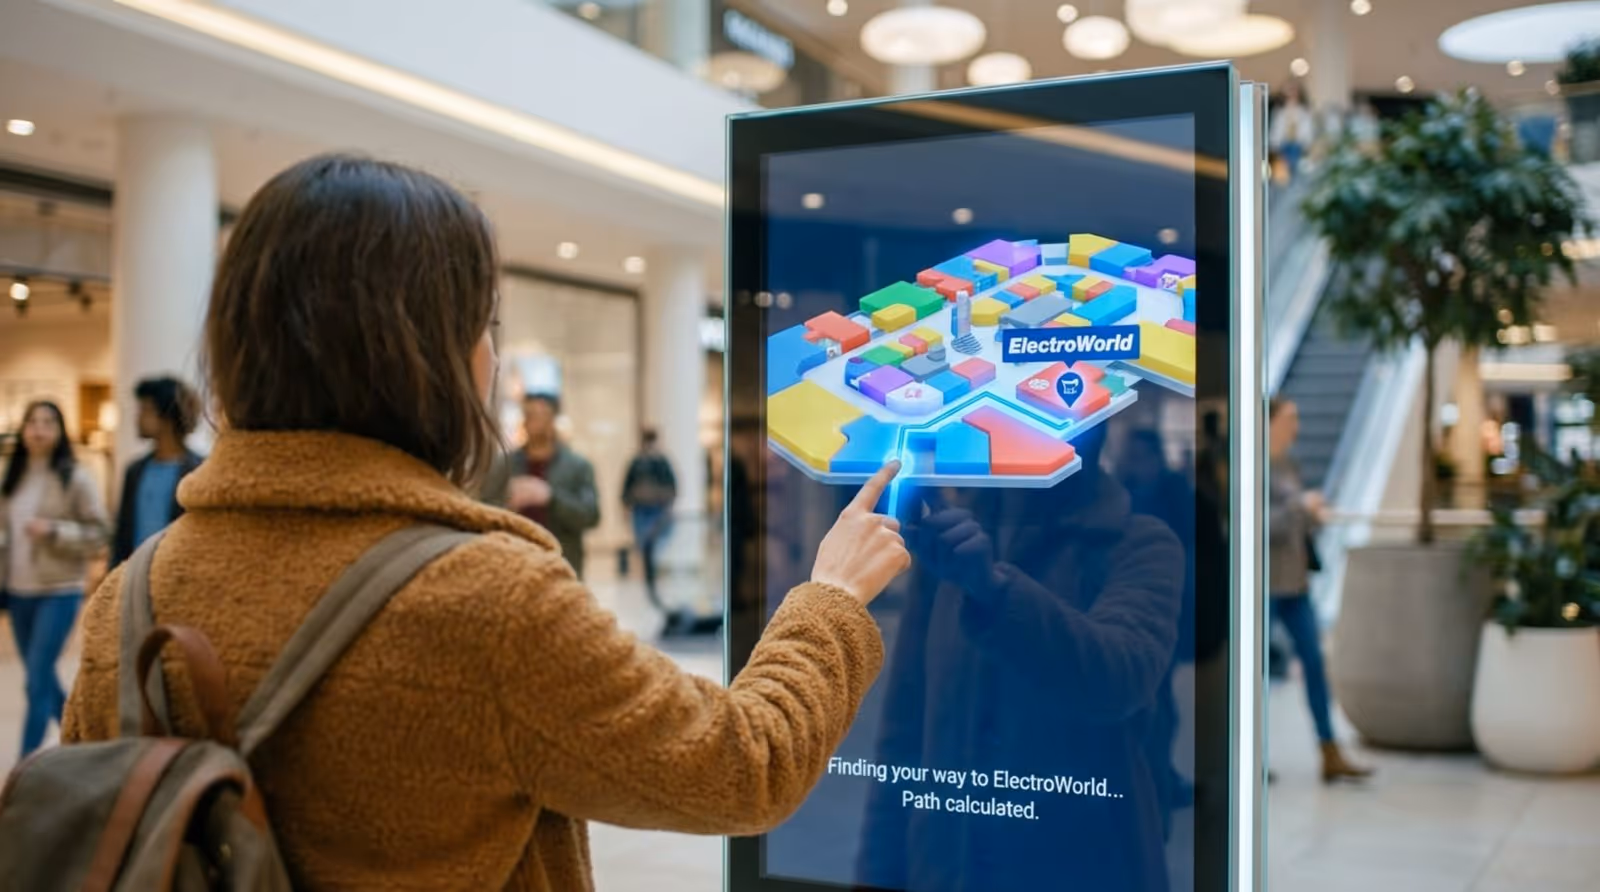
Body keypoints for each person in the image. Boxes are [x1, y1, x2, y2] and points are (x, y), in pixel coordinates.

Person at [62, 154, 910, 890]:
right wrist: (830, 598)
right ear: (431, 350)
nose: (494, 356)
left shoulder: (130, 596)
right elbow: (744, 767)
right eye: (484, 325)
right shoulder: (486, 602)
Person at [1268, 398, 1372, 784]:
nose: (1296, 425)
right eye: (1289, 418)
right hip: (1264, 586)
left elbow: (1295, 522)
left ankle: (1329, 748)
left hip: (1295, 583)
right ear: (1270, 421)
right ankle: (1249, 754)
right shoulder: (1251, 464)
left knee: (1313, 662)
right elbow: (1256, 523)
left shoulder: (1289, 464)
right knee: (1256, 673)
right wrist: (1300, 506)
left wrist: (1312, 516)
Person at [1, 400, 110, 756]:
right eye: (32, 421)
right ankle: (85, 741)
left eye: (48, 422)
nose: (39, 428)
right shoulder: (10, 476)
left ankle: (24, 765)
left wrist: (54, 530)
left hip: (59, 590)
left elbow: (100, 533)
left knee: (36, 680)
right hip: (17, 590)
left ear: (61, 431)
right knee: (41, 679)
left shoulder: (75, 477)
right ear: (23, 430)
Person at [482, 392, 601, 577]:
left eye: (541, 415)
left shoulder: (578, 466)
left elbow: (591, 515)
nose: (535, 421)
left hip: (562, 566)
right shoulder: (503, 466)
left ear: (553, 419)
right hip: (514, 566)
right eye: (530, 414)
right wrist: (508, 501)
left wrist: (550, 497)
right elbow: (482, 512)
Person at [110, 376, 204, 568]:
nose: (137, 418)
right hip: (134, 574)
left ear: (166, 416)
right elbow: (122, 535)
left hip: (178, 572)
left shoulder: (199, 471)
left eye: (145, 410)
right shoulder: (135, 470)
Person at [621, 427, 678, 618]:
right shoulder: (636, 462)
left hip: (657, 511)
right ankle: (648, 580)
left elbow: (672, 487)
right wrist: (626, 508)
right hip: (641, 510)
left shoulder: (662, 462)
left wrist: (669, 508)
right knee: (644, 546)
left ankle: (654, 580)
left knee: (655, 547)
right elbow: (626, 487)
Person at [1270, 84, 1315, 184]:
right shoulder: (1279, 112)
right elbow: (1275, 130)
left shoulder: (1304, 112)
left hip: (1299, 146)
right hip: (1283, 146)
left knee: (1298, 172)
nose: (1292, 97)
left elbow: (1308, 132)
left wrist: (1306, 145)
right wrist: (1275, 147)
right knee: (1282, 174)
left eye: (1294, 95)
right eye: (1289, 95)